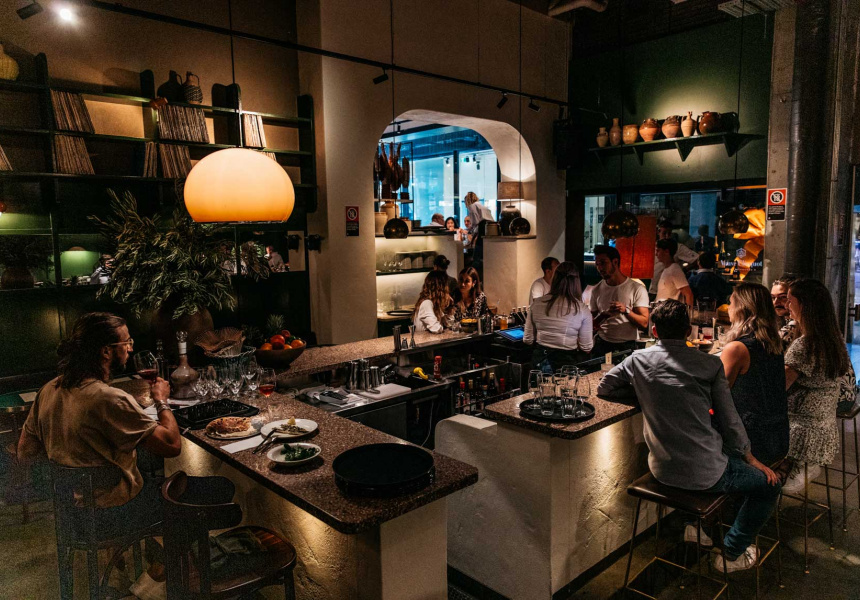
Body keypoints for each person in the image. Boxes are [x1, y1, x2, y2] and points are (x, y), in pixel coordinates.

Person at [598, 299, 780, 573]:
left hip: (662, 471)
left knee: (720, 456)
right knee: (770, 485)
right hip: (707, 475)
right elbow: (730, 421)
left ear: (654, 331)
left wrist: (647, 392)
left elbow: (604, 388)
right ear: (688, 331)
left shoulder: (637, 360)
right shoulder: (709, 364)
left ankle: (697, 529)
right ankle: (732, 551)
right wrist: (750, 457)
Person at [16, 312, 233, 538]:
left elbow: (25, 452)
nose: (130, 348)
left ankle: (172, 552)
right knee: (221, 488)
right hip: (113, 515)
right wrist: (161, 400)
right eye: (126, 342)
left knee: (155, 474)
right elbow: (172, 445)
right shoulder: (108, 399)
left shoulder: (48, 390)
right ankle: (181, 556)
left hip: (70, 516)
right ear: (106, 351)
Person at [775, 279, 849, 493]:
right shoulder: (833, 338)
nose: (786, 305)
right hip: (824, 425)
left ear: (804, 305)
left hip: (800, 430)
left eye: (790, 300)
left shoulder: (805, 344)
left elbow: (778, 389)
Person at [719, 283, 789, 466]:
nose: (729, 308)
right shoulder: (774, 344)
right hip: (777, 436)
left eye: (731, 303)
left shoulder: (737, 349)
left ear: (741, 309)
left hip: (750, 442)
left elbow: (718, 394)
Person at [524, 261, 593, 370]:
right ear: (576, 282)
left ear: (554, 278)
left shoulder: (537, 304)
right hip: (565, 364)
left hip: (540, 362)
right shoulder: (582, 309)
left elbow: (527, 339)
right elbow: (587, 347)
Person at [589, 245, 650, 356]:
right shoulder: (596, 289)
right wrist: (603, 315)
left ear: (615, 262)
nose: (600, 268)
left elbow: (644, 323)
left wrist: (626, 310)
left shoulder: (636, 288)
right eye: (597, 264)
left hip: (627, 345)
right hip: (602, 343)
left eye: (603, 263)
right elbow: (590, 323)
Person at [649, 221, 699, 296]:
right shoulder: (652, 247)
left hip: (670, 290)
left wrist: (684, 269)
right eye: (664, 233)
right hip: (654, 289)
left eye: (669, 234)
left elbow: (697, 259)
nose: (667, 236)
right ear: (658, 232)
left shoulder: (677, 247)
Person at [654, 239, 693, 306]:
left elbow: (688, 294)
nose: (656, 254)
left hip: (670, 310)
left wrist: (688, 311)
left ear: (666, 251)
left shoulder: (674, 269)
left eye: (658, 251)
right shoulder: (668, 269)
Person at [770, 274, 797, 343]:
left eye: (783, 297)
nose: (776, 302)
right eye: (773, 297)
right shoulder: (775, 322)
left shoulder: (797, 326)